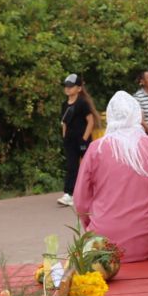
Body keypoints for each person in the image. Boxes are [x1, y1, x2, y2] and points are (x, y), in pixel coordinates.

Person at [73, 91, 148, 261]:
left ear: (110, 117)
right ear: (137, 114)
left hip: (104, 246)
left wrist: (93, 227)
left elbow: (80, 200)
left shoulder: (97, 148)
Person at [58, 73, 97, 207]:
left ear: (79, 88)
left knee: (88, 167)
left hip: (82, 140)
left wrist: (84, 139)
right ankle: (69, 194)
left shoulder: (82, 103)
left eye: (71, 86)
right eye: (66, 86)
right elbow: (64, 123)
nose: (68, 89)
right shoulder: (64, 104)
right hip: (70, 141)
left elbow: (90, 122)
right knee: (71, 166)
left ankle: (94, 191)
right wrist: (64, 137)